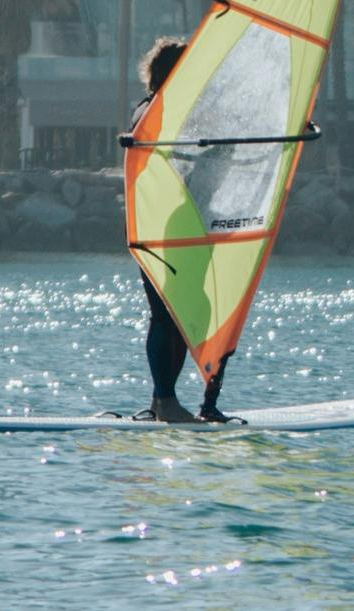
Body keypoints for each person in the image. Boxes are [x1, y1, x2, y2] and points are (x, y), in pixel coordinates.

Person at [126, 35, 229, 424]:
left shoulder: (172, 110)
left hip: (181, 221)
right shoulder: (155, 110)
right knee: (168, 314)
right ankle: (165, 400)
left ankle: (163, 400)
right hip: (167, 222)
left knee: (184, 311)